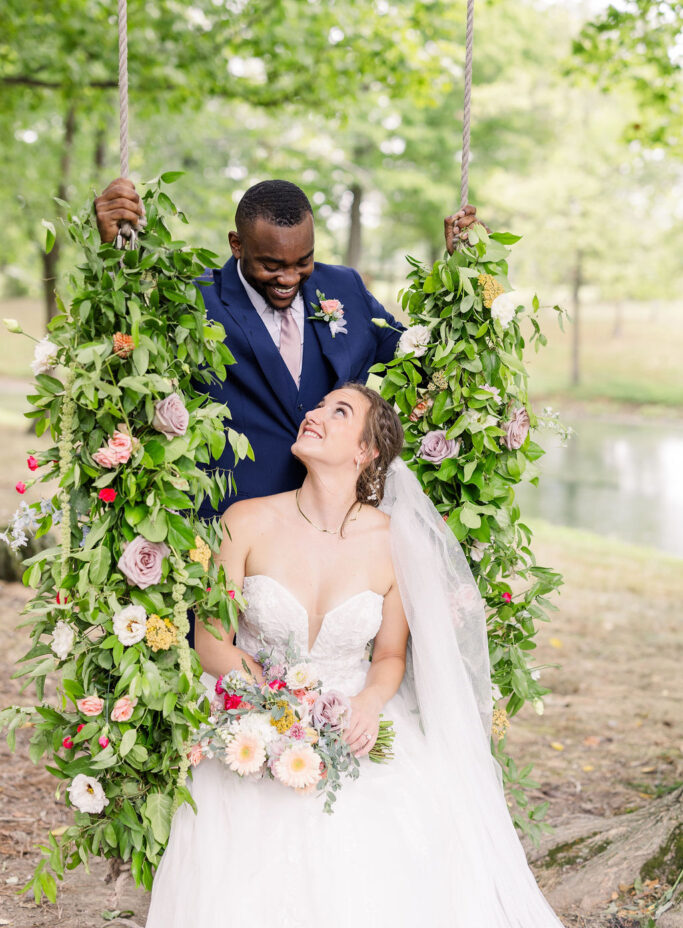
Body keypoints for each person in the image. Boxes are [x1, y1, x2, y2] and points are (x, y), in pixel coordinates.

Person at [144, 384, 565, 928]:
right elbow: (210, 643)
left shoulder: (392, 542)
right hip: (250, 713)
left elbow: (390, 655)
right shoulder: (243, 521)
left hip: (351, 715)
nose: (314, 415)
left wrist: (368, 702)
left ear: (366, 451)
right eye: (317, 406)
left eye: (337, 411)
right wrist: (278, 702)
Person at [94, 178, 480, 518]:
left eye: (303, 261)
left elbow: (423, 364)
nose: (289, 277)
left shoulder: (345, 287)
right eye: (272, 264)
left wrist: (463, 275)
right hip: (225, 530)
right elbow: (120, 354)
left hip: (330, 529)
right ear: (236, 245)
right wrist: (113, 252)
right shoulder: (190, 300)